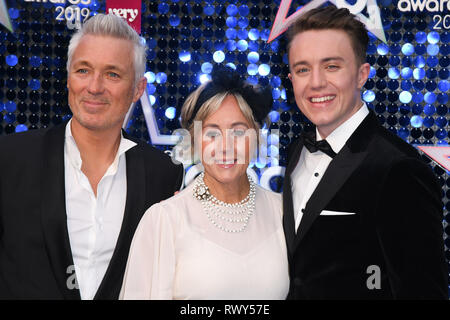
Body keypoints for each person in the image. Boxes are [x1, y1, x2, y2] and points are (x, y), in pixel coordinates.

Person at [0, 14, 183, 299]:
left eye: (112, 74)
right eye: (83, 70)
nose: (94, 87)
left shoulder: (162, 174)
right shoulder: (9, 159)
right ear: (69, 76)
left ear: (138, 89)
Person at [283, 6, 448, 299]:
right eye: (303, 69)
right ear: (291, 78)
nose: (316, 82)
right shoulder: (297, 151)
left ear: (362, 75)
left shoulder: (398, 169)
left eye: (332, 66)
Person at [120, 66, 289, 299]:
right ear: (195, 139)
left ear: (256, 137)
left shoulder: (283, 212)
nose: (225, 146)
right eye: (212, 133)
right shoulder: (164, 220)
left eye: (238, 132)